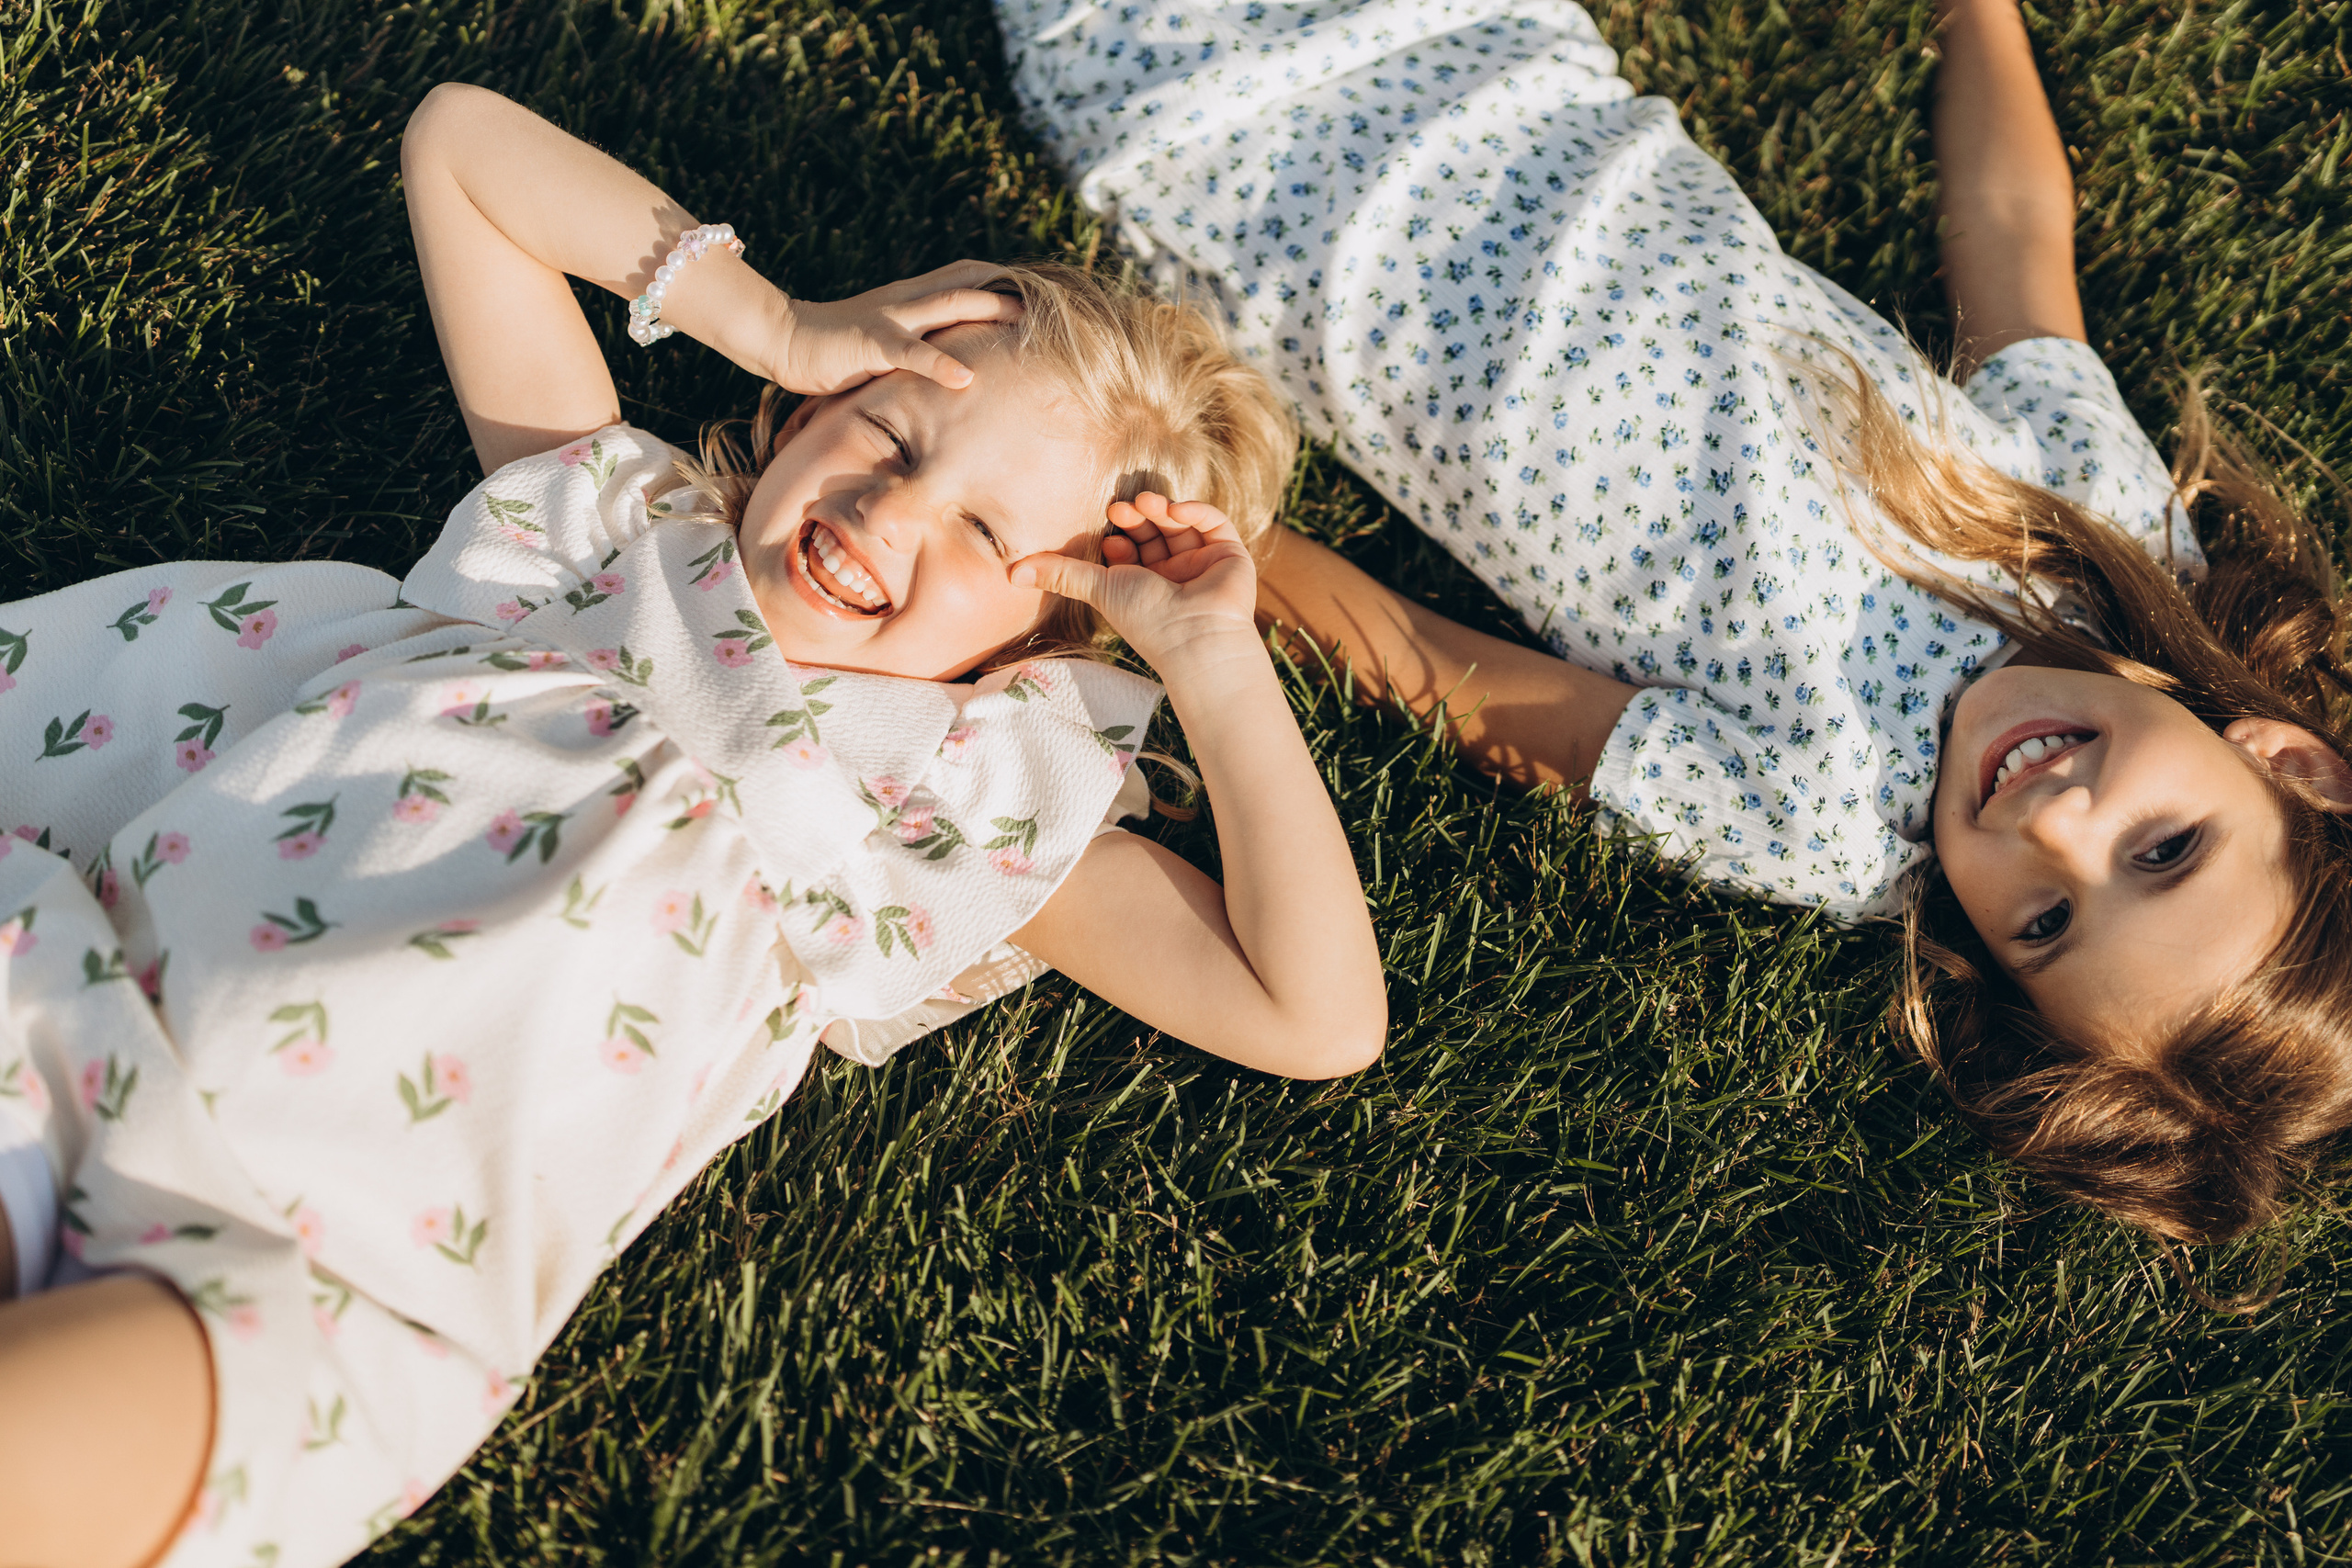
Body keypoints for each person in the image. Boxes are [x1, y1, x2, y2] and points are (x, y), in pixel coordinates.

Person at [0, 83, 1385, 1568]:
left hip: (328, 1285)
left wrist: (1217, 663)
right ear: (801, 410)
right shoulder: (597, 539)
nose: (897, 512)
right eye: (892, 433)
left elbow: (1314, 1015)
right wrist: (770, 312)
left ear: (1042, 647)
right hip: (67, 1021)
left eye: (988, 537)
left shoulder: (944, 817)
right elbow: (461, 148)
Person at [994, 0, 2352, 1277]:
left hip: (1230, 155)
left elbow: (1445, 674)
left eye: (2048, 925)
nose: (2052, 828)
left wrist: (1207, 553)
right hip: (1502, 51)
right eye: (2163, 851)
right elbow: (2010, 243)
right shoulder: (2110, 539)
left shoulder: (1824, 817)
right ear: (2290, 765)